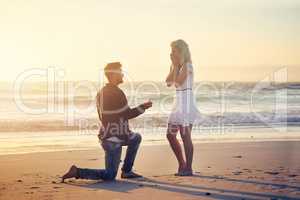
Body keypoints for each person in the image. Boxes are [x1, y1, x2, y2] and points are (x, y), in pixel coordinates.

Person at [62, 62, 152, 182]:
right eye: (120, 72)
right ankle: (77, 171)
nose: (123, 75)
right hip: (113, 139)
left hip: (109, 135)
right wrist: (143, 107)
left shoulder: (102, 92)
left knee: (136, 138)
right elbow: (127, 114)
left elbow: (109, 117)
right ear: (114, 74)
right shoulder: (117, 92)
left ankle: (126, 171)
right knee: (110, 175)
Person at [165, 39, 200, 176]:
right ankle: (182, 164)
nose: (172, 53)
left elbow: (178, 83)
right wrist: (173, 67)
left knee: (185, 136)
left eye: (174, 51)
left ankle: (188, 168)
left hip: (186, 102)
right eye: (171, 51)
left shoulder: (188, 65)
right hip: (178, 101)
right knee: (170, 135)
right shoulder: (176, 66)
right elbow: (168, 82)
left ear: (181, 52)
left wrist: (175, 67)